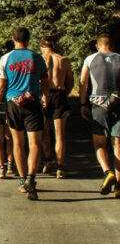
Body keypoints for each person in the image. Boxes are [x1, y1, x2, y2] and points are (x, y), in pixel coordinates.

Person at [0, 27, 49, 200]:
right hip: (32, 103)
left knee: (17, 143)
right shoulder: (37, 57)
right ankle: (31, 178)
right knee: (35, 144)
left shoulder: (5, 58)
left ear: (13, 38)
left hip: (12, 104)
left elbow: (1, 86)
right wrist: (45, 97)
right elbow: (45, 81)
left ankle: (23, 179)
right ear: (28, 39)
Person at [79, 33, 120, 197]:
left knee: (99, 143)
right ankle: (118, 186)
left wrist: (83, 104)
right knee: (118, 145)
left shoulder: (90, 59)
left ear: (98, 46)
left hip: (98, 103)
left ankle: (107, 172)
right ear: (113, 46)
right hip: (118, 103)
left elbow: (83, 83)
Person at [39, 36, 74, 178]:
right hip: (59, 94)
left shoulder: (40, 59)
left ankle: (47, 161)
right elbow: (70, 82)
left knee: (44, 131)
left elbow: (38, 79)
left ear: (42, 46)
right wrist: (64, 93)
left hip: (44, 95)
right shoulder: (63, 60)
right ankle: (60, 167)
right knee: (60, 134)